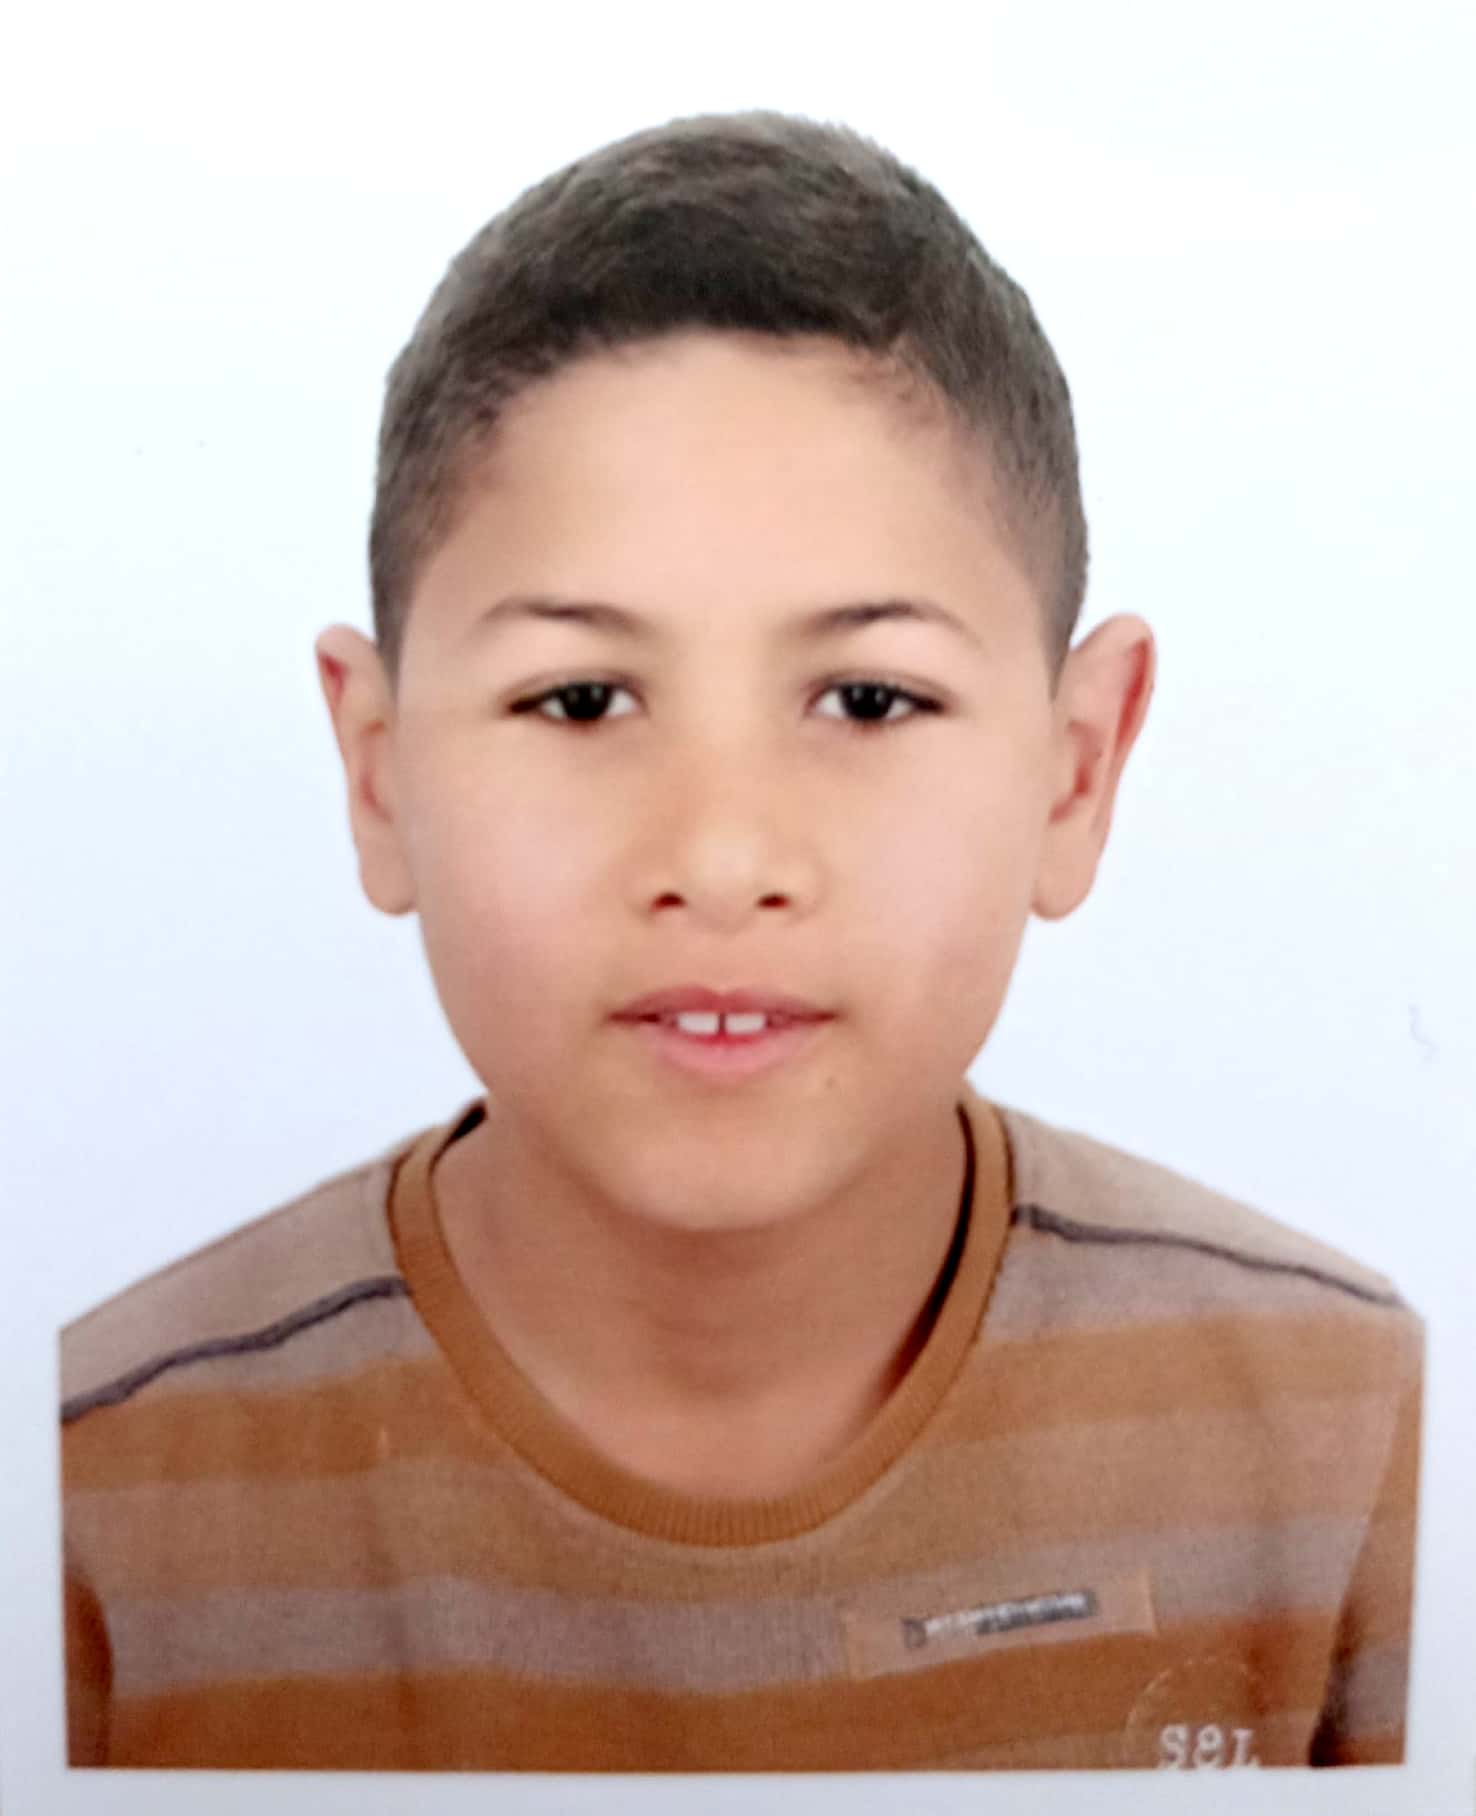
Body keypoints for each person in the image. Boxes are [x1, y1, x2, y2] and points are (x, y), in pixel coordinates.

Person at [60, 110, 1421, 1772]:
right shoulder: (90, 1503)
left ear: (1076, 772)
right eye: (581, 699)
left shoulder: (1360, 1444)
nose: (719, 858)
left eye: (869, 700)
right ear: (380, 771)